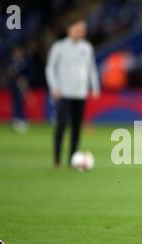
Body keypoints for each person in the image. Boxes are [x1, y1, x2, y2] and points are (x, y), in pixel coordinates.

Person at [45, 18, 100, 167]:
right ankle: (57, 159)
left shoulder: (87, 47)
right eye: (79, 29)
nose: (82, 32)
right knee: (61, 125)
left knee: (76, 127)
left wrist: (95, 87)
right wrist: (54, 87)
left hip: (80, 93)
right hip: (64, 93)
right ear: (70, 29)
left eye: (83, 29)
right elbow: (50, 68)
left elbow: (91, 68)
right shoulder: (59, 47)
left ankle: (72, 158)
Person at [8, 45, 31, 133]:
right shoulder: (12, 61)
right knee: (15, 102)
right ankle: (16, 120)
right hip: (14, 85)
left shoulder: (24, 62)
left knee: (21, 102)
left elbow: (28, 73)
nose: (18, 54)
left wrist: (25, 80)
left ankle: (22, 120)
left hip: (22, 85)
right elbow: (9, 72)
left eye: (19, 52)